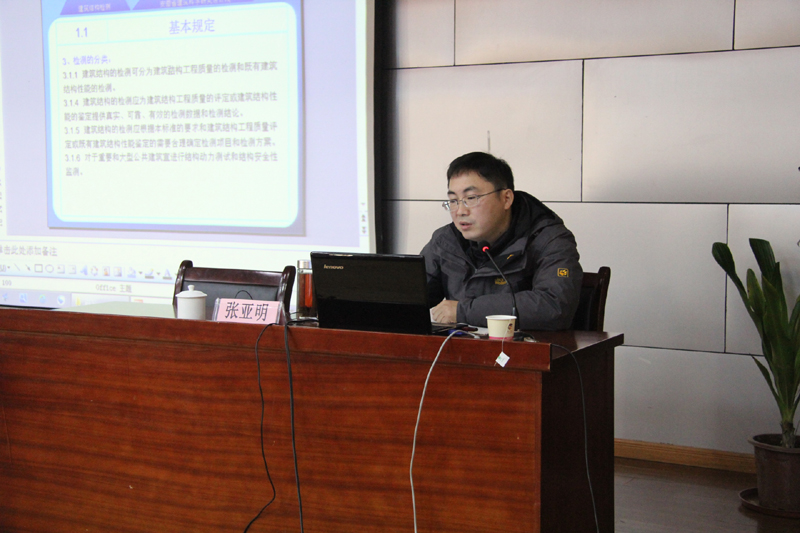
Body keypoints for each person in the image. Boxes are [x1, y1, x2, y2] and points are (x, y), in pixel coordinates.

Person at [422, 151, 582, 330]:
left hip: (525, 346)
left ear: (506, 199)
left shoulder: (549, 240)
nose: (460, 211)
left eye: (471, 198)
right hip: (460, 345)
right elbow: (410, 297)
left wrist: (463, 311)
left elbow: (554, 306)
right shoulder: (446, 241)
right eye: (453, 201)